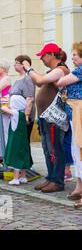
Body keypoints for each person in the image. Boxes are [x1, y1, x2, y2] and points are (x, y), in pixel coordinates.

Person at [22, 43, 70, 193]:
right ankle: (51, 178)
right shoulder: (54, 70)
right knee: (48, 149)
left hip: (54, 119)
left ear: (51, 54)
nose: (41, 58)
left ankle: (57, 181)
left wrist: (29, 68)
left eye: (43, 55)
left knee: (55, 149)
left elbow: (39, 80)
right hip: (46, 117)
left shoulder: (61, 70)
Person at [56, 42, 82, 207]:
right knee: (75, 150)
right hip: (74, 114)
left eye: (75, 55)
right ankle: (80, 186)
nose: (72, 57)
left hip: (79, 112)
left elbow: (60, 81)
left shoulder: (80, 70)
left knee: (79, 149)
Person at [2, 95, 33, 185]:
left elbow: (3, 108)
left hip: (16, 141)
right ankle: (23, 177)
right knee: (23, 157)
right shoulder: (22, 113)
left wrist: (5, 104)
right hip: (23, 140)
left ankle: (16, 178)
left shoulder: (15, 113)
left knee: (16, 159)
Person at [10, 55, 36, 143]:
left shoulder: (27, 79)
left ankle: (27, 157)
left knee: (24, 142)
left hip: (24, 116)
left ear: (23, 65)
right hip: (16, 114)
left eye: (16, 63)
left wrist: (26, 116)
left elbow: (30, 99)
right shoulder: (18, 79)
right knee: (19, 142)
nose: (14, 65)